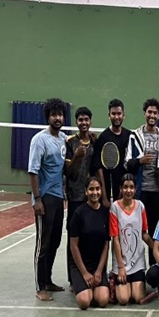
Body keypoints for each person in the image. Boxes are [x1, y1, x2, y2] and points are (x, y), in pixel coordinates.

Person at [28, 98, 68, 301]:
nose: (57, 118)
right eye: (54, 115)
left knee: (55, 241)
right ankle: (40, 287)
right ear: (48, 117)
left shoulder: (64, 139)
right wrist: (37, 199)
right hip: (45, 198)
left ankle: (48, 279)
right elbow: (33, 171)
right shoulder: (39, 140)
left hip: (59, 198)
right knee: (42, 244)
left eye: (60, 114)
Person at [125, 98, 159, 266]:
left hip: (155, 193)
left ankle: (153, 268)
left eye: (155, 113)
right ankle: (135, 268)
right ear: (145, 114)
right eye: (149, 112)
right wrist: (140, 161)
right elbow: (127, 163)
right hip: (139, 193)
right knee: (136, 231)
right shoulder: (134, 136)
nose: (152, 115)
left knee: (154, 232)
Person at [110, 174, 155, 305]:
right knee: (123, 299)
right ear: (120, 189)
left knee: (138, 297)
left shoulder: (140, 206)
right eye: (125, 187)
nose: (128, 190)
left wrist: (157, 249)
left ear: (135, 189)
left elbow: (144, 234)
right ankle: (113, 277)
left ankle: (131, 283)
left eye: (131, 187)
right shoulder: (114, 207)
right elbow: (115, 239)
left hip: (137, 262)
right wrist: (121, 267)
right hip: (121, 262)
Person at [64, 107, 96, 290]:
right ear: (76, 122)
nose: (84, 123)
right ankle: (72, 278)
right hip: (75, 197)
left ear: (90, 121)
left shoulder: (94, 141)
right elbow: (67, 172)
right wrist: (76, 157)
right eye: (80, 120)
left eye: (86, 119)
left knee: (89, 237)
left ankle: (88, 272)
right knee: (73, 238)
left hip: (90, 198)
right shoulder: (70, 142)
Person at [68, 176, 110, 310]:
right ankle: (82, 287)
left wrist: (99, 271)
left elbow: (106, 244)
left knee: (103, 300)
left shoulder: (105, 213)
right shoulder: (78, 213)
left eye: (97, 189)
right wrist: (85, 273)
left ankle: (92, 288)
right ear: (86, 191)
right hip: (80, 266)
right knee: (84, 301)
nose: (95, 192)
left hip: (97, 265)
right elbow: (73, 246)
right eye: (91, 189)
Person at [92, 99, 131, 207]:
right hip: (107, 189)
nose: (116, 117)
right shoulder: (103, 137)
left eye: (119, 113)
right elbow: (99, 169)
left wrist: (123, 192)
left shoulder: (129, 136)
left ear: (123, 115)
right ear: (109, 115)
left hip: (125, 192)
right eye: (113, 114)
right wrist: (104, 197)